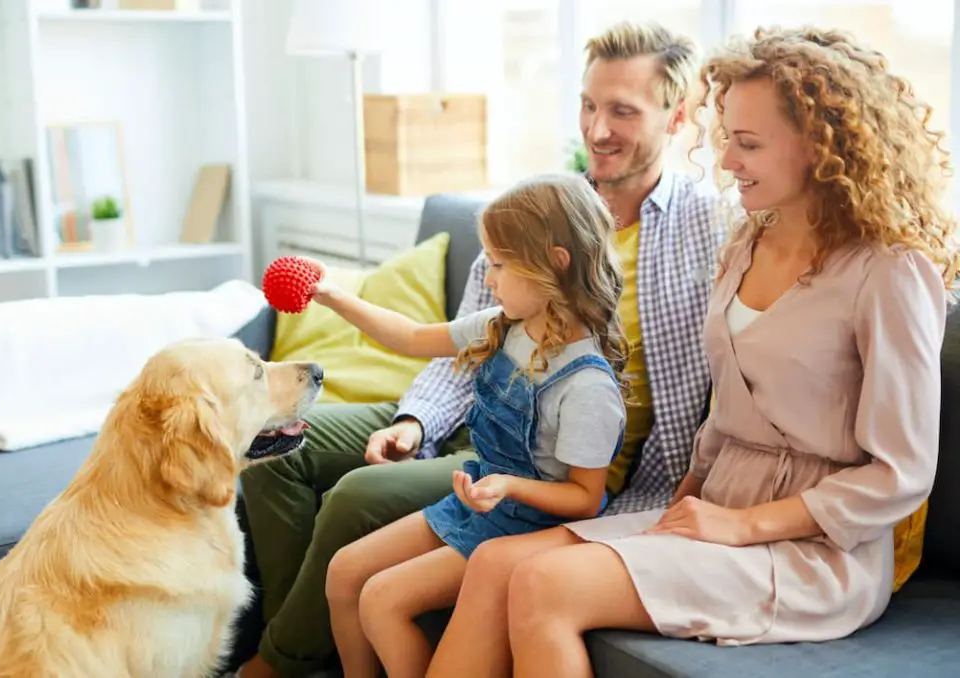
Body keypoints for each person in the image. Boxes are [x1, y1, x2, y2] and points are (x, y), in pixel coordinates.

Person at [427, 25, 958, 678]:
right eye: (727, 136)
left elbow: (899, 473)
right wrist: (686, 500)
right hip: (710, 509)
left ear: (820, 147)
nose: (726, 160)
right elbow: (726, 412)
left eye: (749, 143)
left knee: (543, 583)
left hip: (811, 549)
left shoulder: (889, 273)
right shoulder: (744, 244)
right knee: (495, 563)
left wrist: (741, 526)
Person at [236, 19, 724, 678]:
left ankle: (280, 661)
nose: (597, 128)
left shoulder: (709, 230)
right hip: (465, 405)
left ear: (678, 118)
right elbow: (454, 341)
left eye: (622, 111)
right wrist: (413, 422)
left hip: (531, 462)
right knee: (273, 447)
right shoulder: (538, 214)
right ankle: (301, 642)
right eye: (587, 104)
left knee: (354, 499)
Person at [315, 172, 629, 678]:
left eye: (501, 265)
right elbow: (413, 337)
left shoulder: (587, 386)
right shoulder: (504, 327)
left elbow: (585, 499)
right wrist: (334, 298)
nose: (489, 278)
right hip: (482, 501)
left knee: (381, 599)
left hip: (533, 523)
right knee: (344, 574)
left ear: (554, 264)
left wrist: (508, 485)